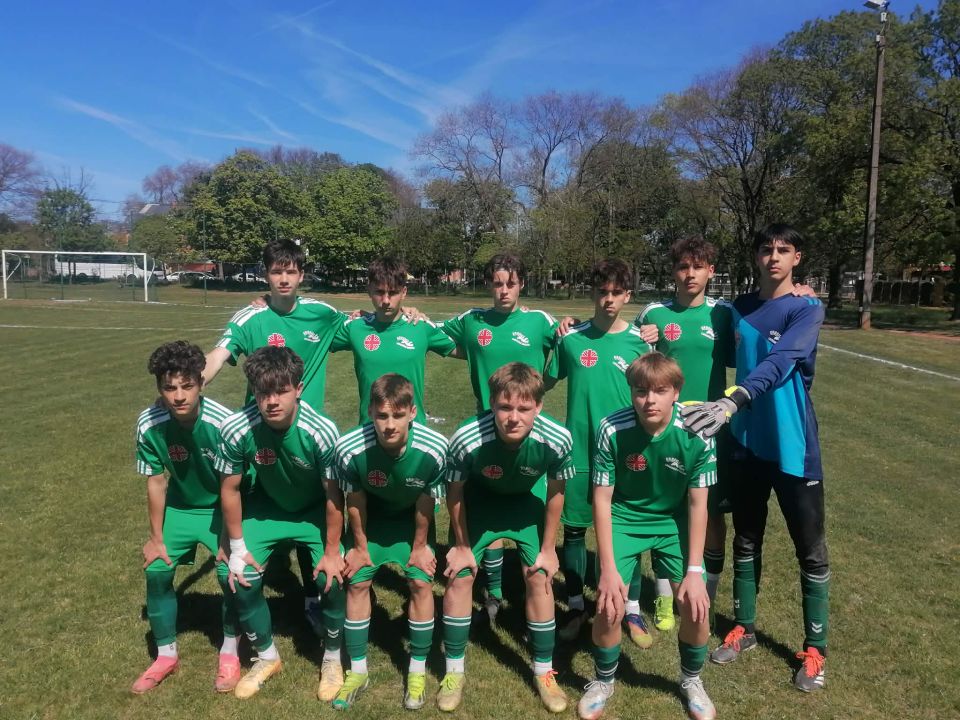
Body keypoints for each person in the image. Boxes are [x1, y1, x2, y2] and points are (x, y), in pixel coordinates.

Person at [681, 223, 829, 692]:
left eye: (784, 250)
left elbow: (782, 361)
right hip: (746, 442)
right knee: (746, 539)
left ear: (797, 258)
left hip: (792, 445)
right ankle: (743, 627)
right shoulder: (737, 309)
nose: (774, 257)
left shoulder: (807, 308)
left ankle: (815, 649)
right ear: (756, 256)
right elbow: (696, 335)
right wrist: (647, 331)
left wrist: (734, 399)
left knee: (810, 549)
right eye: (767, 249)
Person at [204, 238, 348, 635]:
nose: (283, 279)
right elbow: (218, 354)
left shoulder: (322, 314)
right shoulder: (250, 317)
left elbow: (363, 324)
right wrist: (191, 384)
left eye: (290, 271)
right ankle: (239, 607)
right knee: (251, 503)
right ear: (265, 275)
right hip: (260, 435)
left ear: (302, 275)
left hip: (306, 435)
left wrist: (406, 313)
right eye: (276, 271)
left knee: (310, 506)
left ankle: (312, 597)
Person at [577, 353, 717, 720]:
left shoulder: (698, 431)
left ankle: (691, 680)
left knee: (696, 606)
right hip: (624, 518)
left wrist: (695, 571)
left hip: (674, 522)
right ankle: (603, 680)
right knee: (609, 605)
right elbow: (602, 500)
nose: (649, 400)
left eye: (660, 391)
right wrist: (608, 569)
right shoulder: (611, 428)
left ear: (676, 392)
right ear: (631, 392)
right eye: (641, 391)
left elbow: (698, 505)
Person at [439, 362, 574, 714]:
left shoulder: (558, 438)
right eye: (504, 407)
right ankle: (453, 672)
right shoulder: (466, 437)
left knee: (539, 575)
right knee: (460, 575)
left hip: (524, 505)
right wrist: (462, 546)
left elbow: (557, 492)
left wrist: (549, 549)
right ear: (491, 403)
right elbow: (455, 492)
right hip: (481, 504)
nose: (513, 417)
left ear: (538, 406)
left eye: (524, 408)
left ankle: (544, 672)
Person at [217, 346, 346, 700]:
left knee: (332, 578)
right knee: (237, 575)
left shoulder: (321, 431)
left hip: (315, 511)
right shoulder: (236, 428)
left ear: (299, 389)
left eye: (281, 391)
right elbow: (230, 489)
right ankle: (266, 656)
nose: (272, 401)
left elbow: (335, 496)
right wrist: (236, 546)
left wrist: (332, 551)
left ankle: (332, 658)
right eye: (263, 392)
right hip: (269, 509)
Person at [440, 253, 558, 622]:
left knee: (524, 497)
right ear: (488, 284)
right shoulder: (472, 321)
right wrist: (409, 313)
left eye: (511, 283)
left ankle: (526, 588)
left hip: (527, 428)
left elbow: (572, 339)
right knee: (485, 504)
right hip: (486, 428)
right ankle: (492, 591)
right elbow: (431, 335)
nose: (504, 290)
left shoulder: (539, 321)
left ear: (522, 284)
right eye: (497, 283)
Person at [544, 259, 653, 645]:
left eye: (616, 293)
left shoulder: (641, 342)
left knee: (628, 530)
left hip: (624, 451)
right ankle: (576, 605)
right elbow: (544, 381)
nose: (608, 299)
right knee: (574, 529)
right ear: (593, 293)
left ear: (628, 296)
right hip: (579, 451)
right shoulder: (571, 338)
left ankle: (632, 609)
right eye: (602, 291)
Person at [331, 374, 449, 710]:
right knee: (356, 581)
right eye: (382, 415)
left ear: (413, 412)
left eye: (398, 415)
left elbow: (426, 503)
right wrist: (359, 547)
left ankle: (416, 670)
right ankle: (357, 672)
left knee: (420, 582)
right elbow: (354, 501)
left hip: (411, 522)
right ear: (370, 412)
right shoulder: (349, 448)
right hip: (374, 522)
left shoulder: (435, 448)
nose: (389, 425)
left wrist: (420, 547)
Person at [635, 237, 735, 632]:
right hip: (666, 428)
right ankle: (662, 596)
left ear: (711, 271)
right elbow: (627, 354)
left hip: (712, 429)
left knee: (712, 514)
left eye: (698, 267)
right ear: (673, 271)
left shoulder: (724, 314)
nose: (690, 274)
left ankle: (706, 591)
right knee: (665, 509)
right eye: (682, 267)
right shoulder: (655, 314)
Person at [131, 341, 241, 694]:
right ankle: (165, 655)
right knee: (156, 569)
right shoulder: (149, 423)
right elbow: (156, 481)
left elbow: (233, 487)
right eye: (169, 387)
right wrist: (156, 538)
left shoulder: (223, 423)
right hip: (180, 508)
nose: (178, 396)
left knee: (229, 573)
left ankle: (230, 651)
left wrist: (228, 539)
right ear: (159, 388)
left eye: (187, 386)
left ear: (201, 383)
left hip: (219, 509)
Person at [331, 256, 458, 425]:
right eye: (379, 292)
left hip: (413, 430)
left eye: (392, 293)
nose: (385, 301)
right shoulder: (354, 327)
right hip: (369, 428)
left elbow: (468, 351)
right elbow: (316, 342)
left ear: (404, 292)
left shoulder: (420, 327)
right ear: (369, 290)